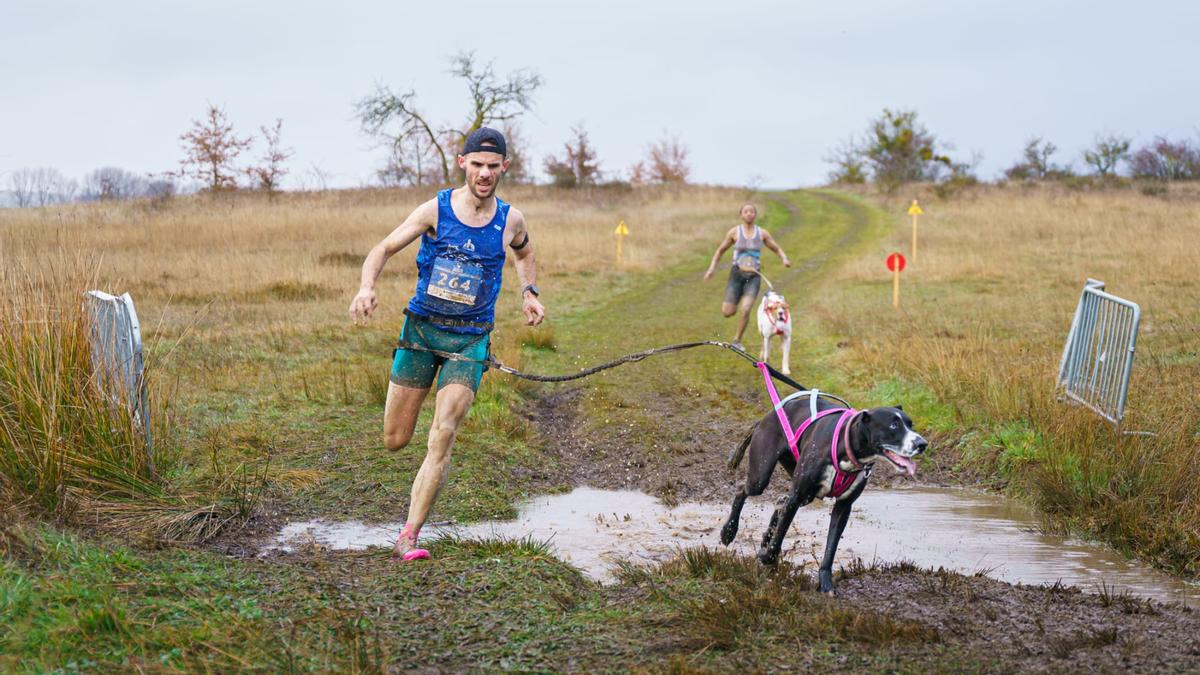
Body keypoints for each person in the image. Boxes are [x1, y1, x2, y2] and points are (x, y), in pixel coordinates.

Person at [349, 127, 546, 562]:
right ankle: (410, 511)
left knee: (443, 434)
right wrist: (366, 287)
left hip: (470, 340)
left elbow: (525, 253)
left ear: (504, 168)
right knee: (395, 439)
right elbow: (383, 247)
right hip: (420, 332)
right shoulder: (435, 210)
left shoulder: (511, 219)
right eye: (477, 165)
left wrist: (529, 293)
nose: (485, 174)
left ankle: (409, 535)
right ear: (463, 163)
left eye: (493, 167)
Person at [703, 203, 790, 349]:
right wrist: (711, 268)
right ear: (741, 215)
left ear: (755, 215)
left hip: (754, 277)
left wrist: (784, 258)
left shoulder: (762, 233)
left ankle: (737, 341)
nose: (749, 214)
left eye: (752, 211)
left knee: (747, 308)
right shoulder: (734, 233)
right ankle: (735, 300)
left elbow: (776, 248)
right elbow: (720, 251)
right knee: (727, 312)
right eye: (746, 211)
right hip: (736, 275)